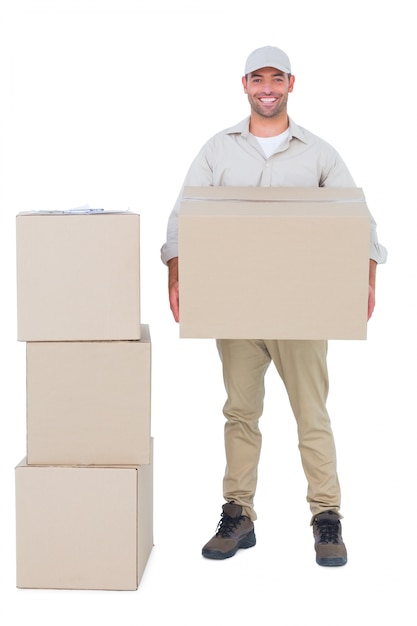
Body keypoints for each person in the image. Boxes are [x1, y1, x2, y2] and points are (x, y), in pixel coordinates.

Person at [161, 45, 387, 566]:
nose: (267, 87)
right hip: (234, 306)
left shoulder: (319, 153)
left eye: (276, 79)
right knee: (240, 412)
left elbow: (360, 222)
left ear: (291, 84)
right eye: (257, 78)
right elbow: (183, 217)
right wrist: (177, 271)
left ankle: (326, 517)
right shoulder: (218, 150)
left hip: (302, 309)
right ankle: (238, 515)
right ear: (244, 85)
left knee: (311, 413)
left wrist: (366, 275)